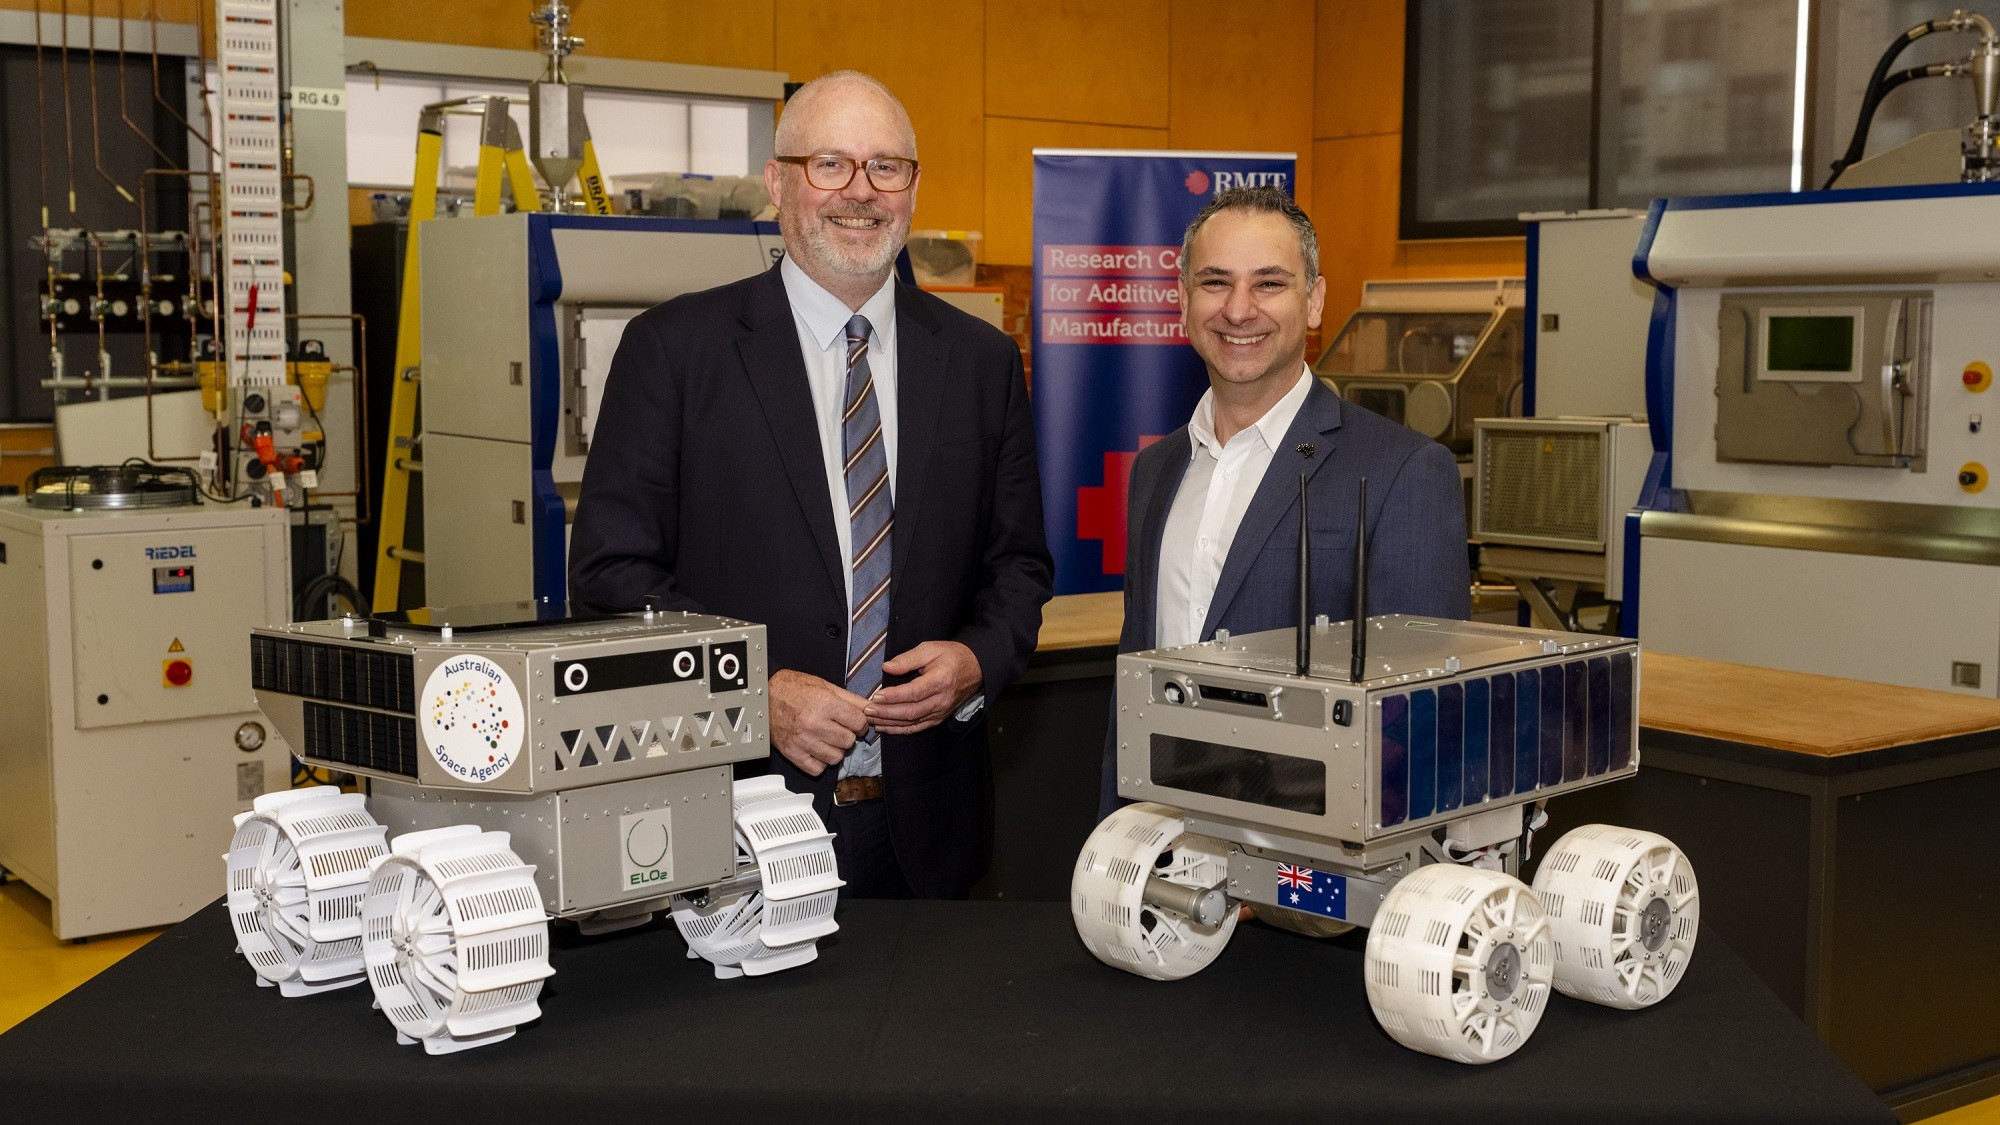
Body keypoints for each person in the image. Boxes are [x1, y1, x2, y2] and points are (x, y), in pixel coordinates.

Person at [569, 71, 1053, 898]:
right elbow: (610, 581)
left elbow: (1019, 568)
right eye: (830, 164)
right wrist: (749, 692)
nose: (860, 192)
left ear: (912, 187)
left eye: (886, 167)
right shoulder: (674, 353)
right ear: (778, 182)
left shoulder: (980, 362)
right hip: (736, 827)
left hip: (932, 834)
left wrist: (976, 659)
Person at [1101, 186, 1470, 814]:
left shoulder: (1402, 471)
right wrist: (1116, 830)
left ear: (1316, 299)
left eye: (1269, 284)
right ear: (1183, 301)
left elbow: (1424, 720)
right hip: (1160, 847)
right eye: (1215, 282)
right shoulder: (1157, 471)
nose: (1238, 311)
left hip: (1309, 874)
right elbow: (1133, 682)